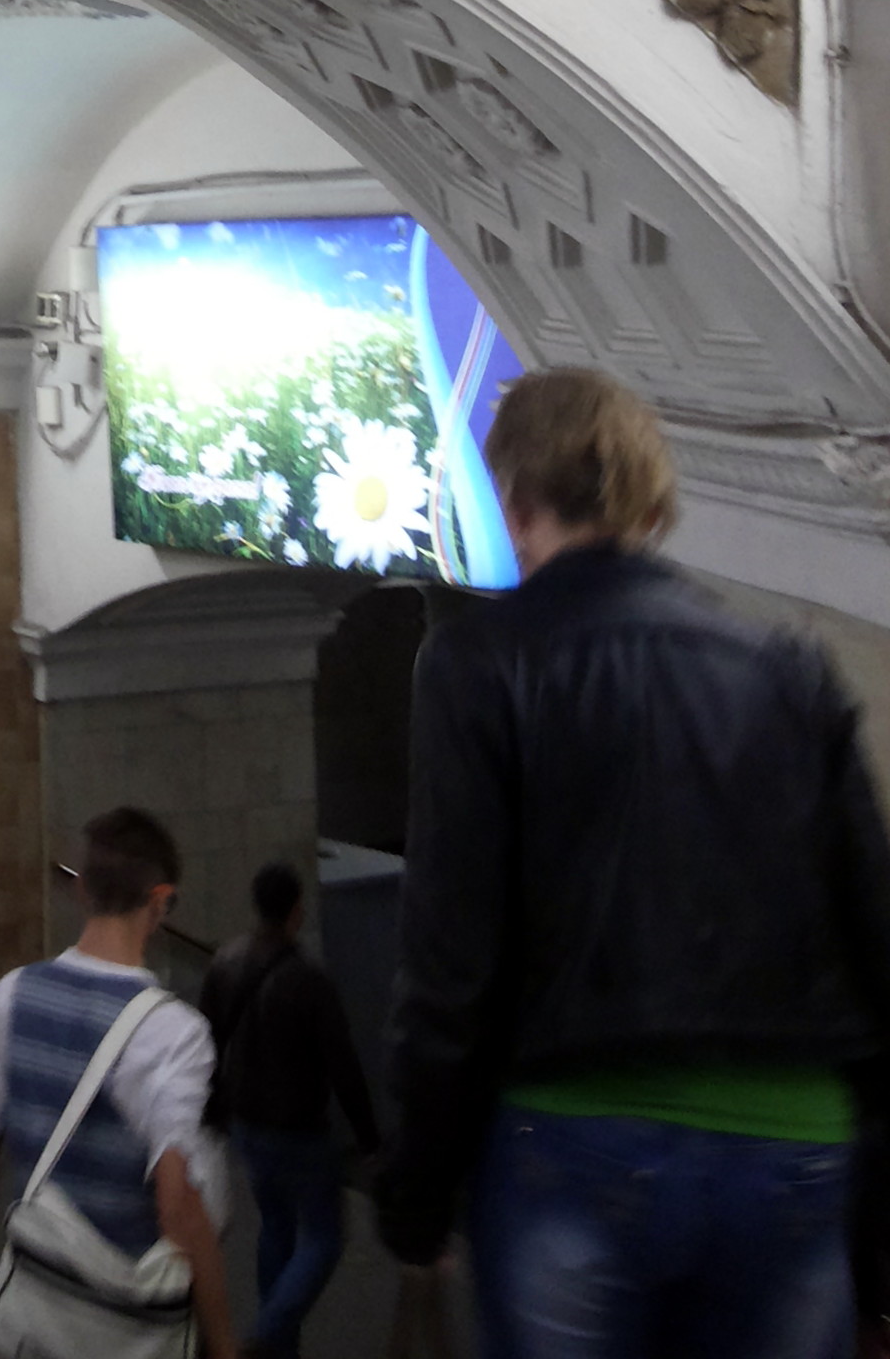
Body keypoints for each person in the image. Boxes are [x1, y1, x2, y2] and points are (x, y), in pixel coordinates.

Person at [377, 366, 890, 1357]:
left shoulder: (477, 664)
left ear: (515, 504)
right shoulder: (791, 667)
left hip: (573, 1139)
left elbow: (450, 958)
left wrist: (418, 1191)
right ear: (652, 501)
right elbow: (874, 940)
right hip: (792, 1146)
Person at [0, 803, 238, 1359]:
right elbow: (177, 1203)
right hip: (126, 1330)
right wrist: (224, 1344)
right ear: (161, 901)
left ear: (82, 889)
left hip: (31, 1319)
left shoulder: (10, 996)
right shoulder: (174, 1033)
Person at [201, 858, 377, 1359]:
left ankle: (280, 1348)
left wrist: (213, 1109)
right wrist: (368, 1136)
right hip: (299, 1131)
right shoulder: (309, 978)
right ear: (297, 911)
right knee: (323, 1236)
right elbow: (342, 1064)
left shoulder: (225, 962)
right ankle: (267, 1335)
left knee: (275, 1226)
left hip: (246, 1124)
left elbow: (206, 1042)